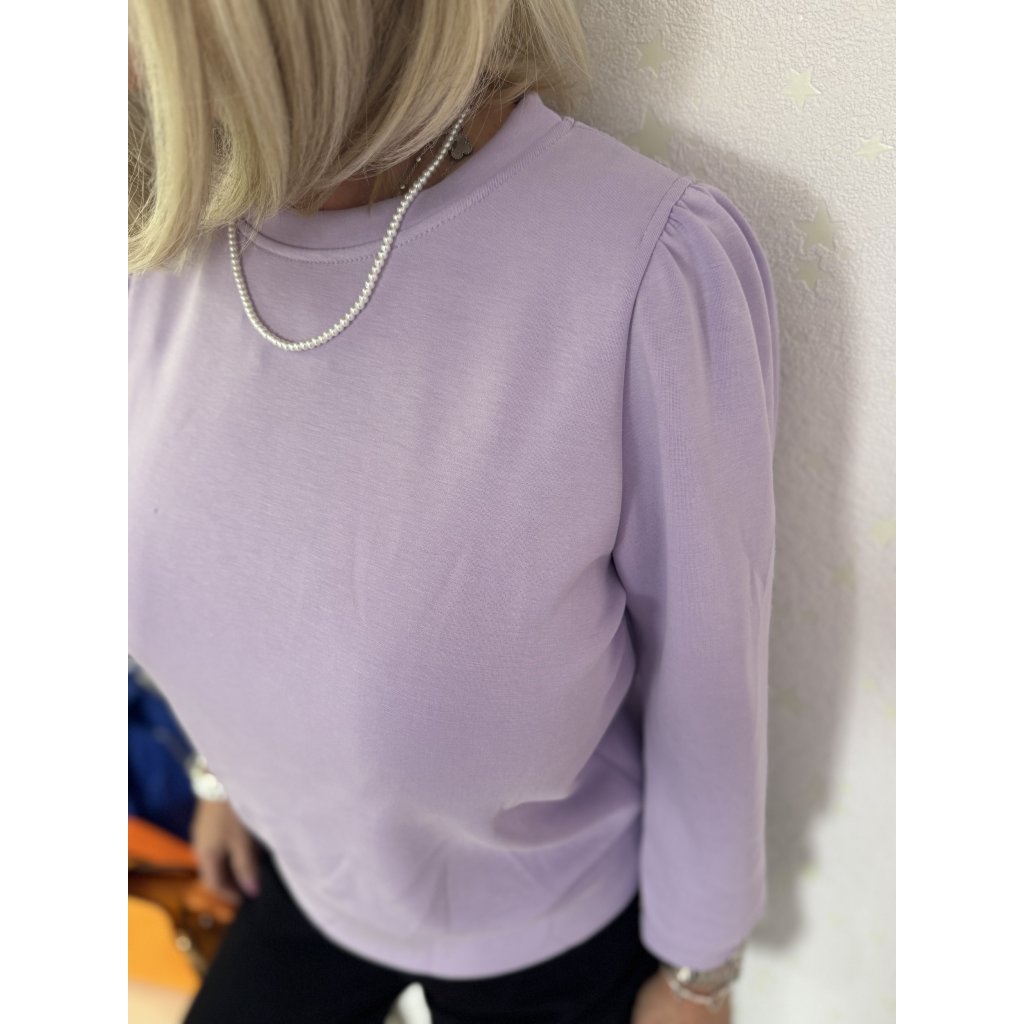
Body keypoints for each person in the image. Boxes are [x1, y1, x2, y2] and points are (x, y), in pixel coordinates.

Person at [127, 2, 780, 1022]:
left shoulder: (637, 266)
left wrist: (699, 970)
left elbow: (708, 665)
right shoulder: (154, 242)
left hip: (550, 912)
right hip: (301, 873)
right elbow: (203, 576)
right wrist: (216, 779)